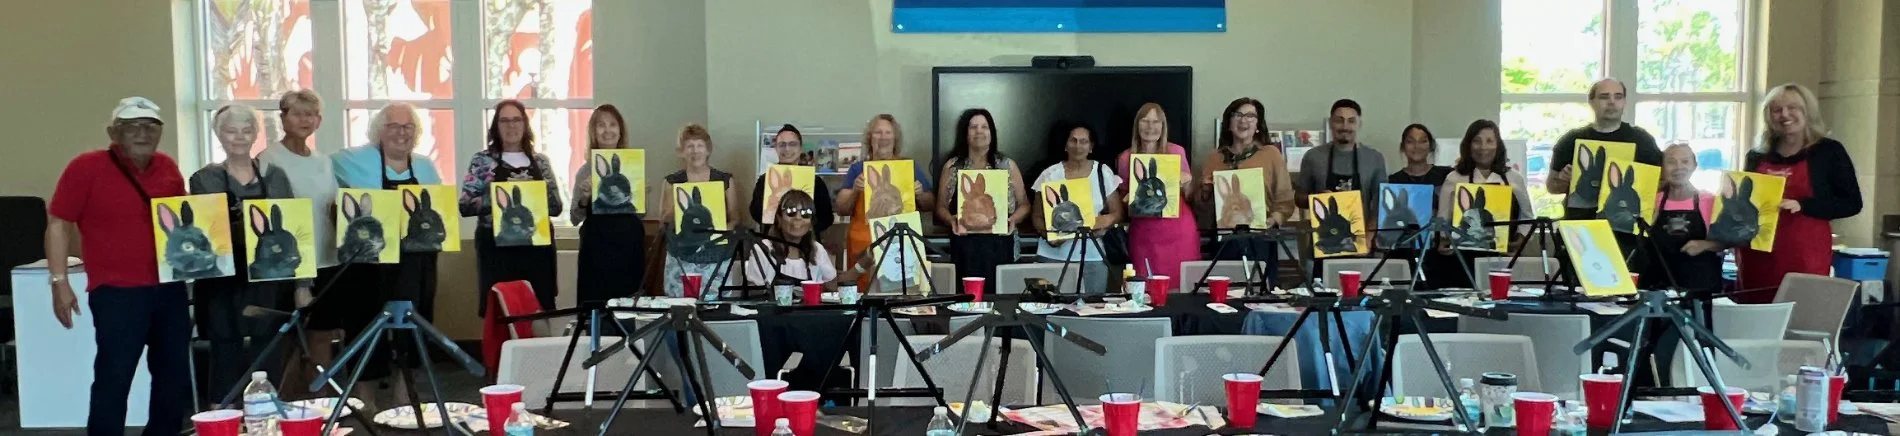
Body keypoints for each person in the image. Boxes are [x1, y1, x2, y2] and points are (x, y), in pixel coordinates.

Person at [47, 97, 190, 436]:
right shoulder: (85, 167)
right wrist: (59, 281)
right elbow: (58, 223)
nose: (142, 133)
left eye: (150, 126)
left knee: (173, 375)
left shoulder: (168, 168)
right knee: (115, 374)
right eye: (132, 126)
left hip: (169, 289)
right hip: (116, 293)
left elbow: (183, 225)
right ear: (114, 132)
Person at [331, 102, 444, 406]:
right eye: (394, 126)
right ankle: (364, 393)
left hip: (416, 262)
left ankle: (404, 389)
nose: (401, 133)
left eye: (408, 127)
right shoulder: (350, 160)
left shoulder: (426, 167)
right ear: (379, 130)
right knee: (364, 322)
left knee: (413, 324)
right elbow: (319, 178)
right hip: (369, 262)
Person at [188, 104, 296, 407]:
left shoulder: (275, 176)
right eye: (231, 131)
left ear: (256, 135)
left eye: (246, 130)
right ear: (218, 135)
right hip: (221, 279)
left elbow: (289, 228)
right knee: (225, 347)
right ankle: (222, 415)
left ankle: (266, 416)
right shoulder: (204, 178)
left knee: (268, 347)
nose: (239, 137)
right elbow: (207, 231)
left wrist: (303, 285)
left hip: (268, 278)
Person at [1737, 83, 1863, 303]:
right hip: (1757, 255)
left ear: (1807, 111)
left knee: (1801, 316)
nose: (1784, 115)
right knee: (1758, 320)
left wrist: (1803, 206)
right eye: (1776, 110)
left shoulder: (1828, 152)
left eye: (1792, 107)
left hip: (1805, 255)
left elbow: (1852, 203)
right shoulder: (1757, 155)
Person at [257, 90, 342, 396]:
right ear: (283, 119)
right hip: (289, 265)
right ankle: (287, 404)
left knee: (321, 335)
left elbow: (332, 206)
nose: (305, 120)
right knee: (289, 338)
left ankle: (319, 403)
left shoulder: (324, 161)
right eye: (297, 113)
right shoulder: (268, 160)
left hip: (327, 259)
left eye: (311, 114)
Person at [461, 100, 564, 314]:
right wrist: (498, 194)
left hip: (537, 251)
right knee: (500, 312)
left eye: (516, 119)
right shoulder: (482, 161)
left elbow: (556, 207)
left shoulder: (540, 161)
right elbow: (465, 205)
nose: (511, 125)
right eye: (504, 120)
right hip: (496, 252)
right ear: (496, 127)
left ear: (525, 124)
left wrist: (535, 193)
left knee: (540, 312)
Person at [1196, 97, 1295, 286]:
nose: (1244, 121)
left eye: (1250, 116)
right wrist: (1206, 191)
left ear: (1258, 124)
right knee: (1227, 294)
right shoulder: (1214, 159)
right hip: (1225, 240)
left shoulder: (1270, 155)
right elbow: (1202, 210)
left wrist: (1272, 220)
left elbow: (1285, 200)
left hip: (1261, 237)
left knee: (1261, 294)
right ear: (1229, 123)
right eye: (1238, 115)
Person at [935, 108, 1030, 295]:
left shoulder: (1007, 165)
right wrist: (950, 220)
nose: (979, 131)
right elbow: (940, 207)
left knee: (1001, 301)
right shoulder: (953, 166)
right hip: (965, 247)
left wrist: (1013, 220)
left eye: (985, 127)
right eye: (973, 127)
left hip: (1001, 243)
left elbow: (1025, 205)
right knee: (967, 300)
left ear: (992, 133)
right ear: (965, 133)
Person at [835, 114, 936, 290]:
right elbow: (841, 208)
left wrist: (920, 194)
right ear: (870, 138)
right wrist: (854, 192)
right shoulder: (857, 168)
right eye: (878, 133)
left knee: (901, 294)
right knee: (863, 298)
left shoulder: (909, 167)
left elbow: (930, 205)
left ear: (895, 138)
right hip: (863, 249)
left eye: (888, 133)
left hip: (901, 248)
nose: (883, 137)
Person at [1545, 79, 1665, 219]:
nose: (1612, 102)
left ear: (1624, 102)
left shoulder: (1642, 140)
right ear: (1591, 101)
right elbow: (1551, 187)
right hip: (1581, 228)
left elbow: (1662, 182)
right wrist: (1563, 179)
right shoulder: (1571, 140)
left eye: (1618, 96)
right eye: (1604, 96)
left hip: (1627, 231)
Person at [1435, 119, 1533, 288]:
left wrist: (1520, 240)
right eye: (1477, 141)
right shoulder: (1455, 178)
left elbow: (1528, 216)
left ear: (1498, 145)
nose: (1483, 148)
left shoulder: (1513, 177)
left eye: (1489, 141)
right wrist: (1443, 240)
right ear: (1468, 145)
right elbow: (1442, 218)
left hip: (1502, 257)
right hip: (1462, 259)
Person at [1031, 122, 1123, 293]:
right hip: (1054, 256)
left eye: (1084, 141)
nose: (1078, 146)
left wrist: (1105, 221)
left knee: (1093, 308)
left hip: (1092, 256)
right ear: (1065, 145)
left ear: (1091, 147)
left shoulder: (1103, 173)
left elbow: (1118, 213)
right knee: (1052, 308)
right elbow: (1036, 216)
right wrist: (1048, 234)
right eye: (1073, 141)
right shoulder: (1049, 175)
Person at [569, 105, 648, 304]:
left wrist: (641, 196)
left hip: (629, 246)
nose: (607, 130)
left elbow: (642, 214)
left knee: (629, 307)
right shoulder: (585, 171)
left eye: (613, 124)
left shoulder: (632, 167)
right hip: (597, 249)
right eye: (601, 125)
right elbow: (574, 218)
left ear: (620, 130)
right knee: (597, 307)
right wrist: (585, 197)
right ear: (593, 132)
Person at [1117, 103, 1200, 289]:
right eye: (1145, 121)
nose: (1150, 127)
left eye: (1156, 122)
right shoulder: (1125, 158)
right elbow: (1123, 200)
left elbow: (1189, 195)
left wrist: (1187, 180)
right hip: (1144, 232)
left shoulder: (1177, 152)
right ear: (1137, 125)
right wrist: (1128, 199)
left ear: (1163, 126)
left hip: (1178, 230)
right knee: (1144, 286)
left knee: (1181, 287)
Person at [660, 123, 742, 298]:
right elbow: (664, 220)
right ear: (681, 151)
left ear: (708, 149)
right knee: (680, 308)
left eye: (699, 145)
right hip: (681, 257)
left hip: (717, 255)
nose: (695, 151)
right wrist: (678, 208)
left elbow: (735, 217)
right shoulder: (672, 181)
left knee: (716, 308)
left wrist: (724, 228)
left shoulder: (724, 180)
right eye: (689, 146)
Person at [1646, 142, 1726, 294]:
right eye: (1671, 162)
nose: (1678, 167)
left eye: (1685, 161)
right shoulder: (1651, 201)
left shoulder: (1710, 201)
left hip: (1700, 286)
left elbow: (1728, 241)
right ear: (1662, 167)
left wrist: (1705, 245)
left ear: (1694, 165)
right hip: (1657, 286)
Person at [1385, 124, 1456, 287]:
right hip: (1405, 253)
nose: (1417, 146)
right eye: (1411, 141)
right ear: (1403, 147)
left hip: (1441, 253)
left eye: (1423, 141)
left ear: (1431, 146)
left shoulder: (1447, 175)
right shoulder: (1393, 181)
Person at [1298, 99, 1387, 209]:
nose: (1345, 127)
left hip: (1364, 225)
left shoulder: (1374, 158)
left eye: (1351, 121)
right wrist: (1317, 199)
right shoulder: (1313, 156)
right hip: (1324, 225)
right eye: (1339, 121)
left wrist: (1372, 225)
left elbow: (1381, 201)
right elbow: (1299, 198)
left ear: (1359, 124)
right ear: (1330, 123)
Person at [750, 124, 835, 235]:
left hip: (807, 243)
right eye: (782, 145)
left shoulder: (816, 182)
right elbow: (755, 212)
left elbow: (826, 218)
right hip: (772, 241)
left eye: (792, 144)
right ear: (776, 148)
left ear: (800, 148)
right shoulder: (765, 180)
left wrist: (802, 228)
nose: (787, 149)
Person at [741, 190, 838, 286]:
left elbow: (831, 284)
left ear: (811, 224)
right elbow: (753, 292)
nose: (798, 217)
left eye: (806, 213)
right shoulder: (762, 249)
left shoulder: (817, 250)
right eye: (791, 212)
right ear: (779, 219)